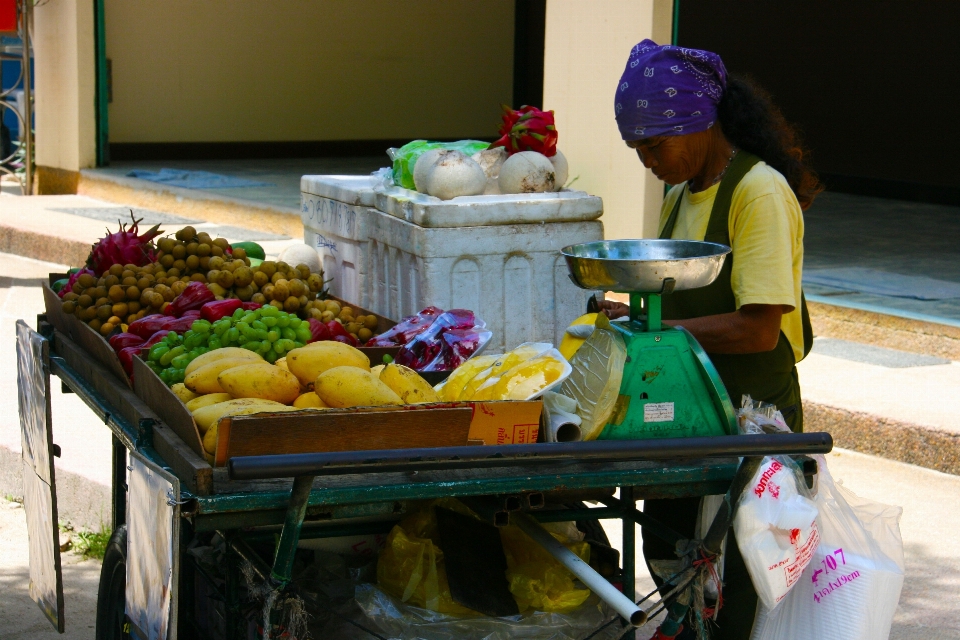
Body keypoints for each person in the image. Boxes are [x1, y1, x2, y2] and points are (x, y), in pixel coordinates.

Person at [601, 40, 822, 639]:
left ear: (699, 124)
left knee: (736, 593)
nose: (647, 160)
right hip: (690, 417)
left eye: (654, 144)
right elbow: (672, 299)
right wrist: (630, 312)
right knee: (672, 558)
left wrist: (656, 330)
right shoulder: (678, 198)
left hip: (752, 423)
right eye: (637, 149)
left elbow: (758, 329)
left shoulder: (758, 192)